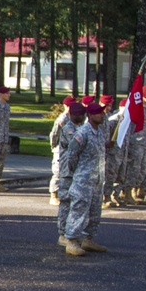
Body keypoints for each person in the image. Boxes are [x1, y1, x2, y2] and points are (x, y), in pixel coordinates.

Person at [62, 103, 108, 256]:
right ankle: (71, 241)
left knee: (95, 212)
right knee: (78, 210)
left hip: (97, 180)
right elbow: (72, 155)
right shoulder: (82, 133)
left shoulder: (99, 132)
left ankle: (88, 239)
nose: (102, 116)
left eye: (102, 113)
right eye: (99, 113)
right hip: (83, 180)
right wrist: (78, 172)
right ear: (90, 115)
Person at [56, 103, 87, 245]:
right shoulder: (68, 129)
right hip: (67, 171)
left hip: (78, 170)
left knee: (77, 203)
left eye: (82, 114)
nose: (81, 116)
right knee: (66, 202)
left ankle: (73, 232)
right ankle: (62, 233)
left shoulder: (81, 128)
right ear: (71, 114)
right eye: (78, 114)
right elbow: (76, 145)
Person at [124, 86, 146, 204]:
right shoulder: (137, 107)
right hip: (136, 142)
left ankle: (135, 192)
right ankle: (127, 193)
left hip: (144, 142)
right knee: (133, 168)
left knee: (142, 169)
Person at [48, 96, 76, 205]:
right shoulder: (62, 119)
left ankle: (65, 194)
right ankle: (53, 195)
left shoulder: (73, 118)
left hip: (69, 149)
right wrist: (54, 146)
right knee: (58, 172)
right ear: (66, 106)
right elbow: (54, 134)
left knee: (68, 172)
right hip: (60, 149)